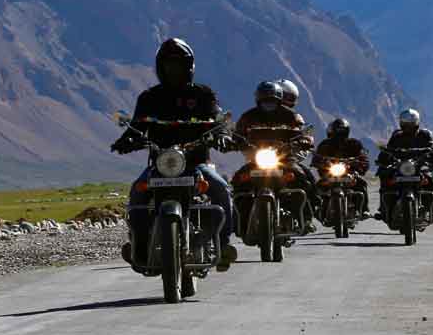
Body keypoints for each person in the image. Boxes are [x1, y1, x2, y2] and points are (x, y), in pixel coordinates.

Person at [111, 38, 237, 271]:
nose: (173, 69)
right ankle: (138, 245)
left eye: (178, 64)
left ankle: (224, 243)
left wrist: (221, 135)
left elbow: (217, 120)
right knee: (137, 193)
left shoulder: (203, 95)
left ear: (189, 66)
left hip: (196, 162)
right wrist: (126, 140)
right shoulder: (149, 97)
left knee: (220, 188)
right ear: (160, 67)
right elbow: (136, 125)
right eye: (168, 64)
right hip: (160, 163)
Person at [233, 81, 318, 233]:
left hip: (284, 159)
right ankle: (239, 222)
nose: (268, 104)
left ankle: (306, 218)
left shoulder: (291, 115)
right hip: (257, 160)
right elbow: (238, 134)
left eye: (272, 100)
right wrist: (235, 142)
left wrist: (305, 140)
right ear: (258, 100)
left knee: (302, 177)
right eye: (265, 100)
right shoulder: (248, 116)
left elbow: (301, 131)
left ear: (279, 99)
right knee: (238, 180)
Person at [375, 108, 433, 220]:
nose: (408, 127)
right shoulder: (397, 136)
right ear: (401, 124)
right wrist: (383, 159)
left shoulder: (425, 135)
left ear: (416, 123)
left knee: (432, 177)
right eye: (406, 124)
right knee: (385, 177)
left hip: (419, 165)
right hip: (401, 166)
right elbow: (388, 149)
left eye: (411, 124)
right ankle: (384, 208)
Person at [312, 118, 370, 216]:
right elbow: (317, 157)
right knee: (317, 187)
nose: (339, 133)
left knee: (361, 184)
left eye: (342, 130)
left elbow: (363, 157)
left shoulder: (354, 143)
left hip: (349, 173)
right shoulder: (325, 144)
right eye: (338, 130)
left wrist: (360, 164)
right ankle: (318, 209)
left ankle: (364, 209)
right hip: (330, 173)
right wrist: (318, 162)